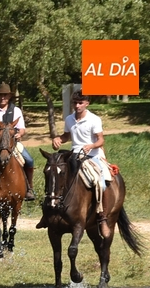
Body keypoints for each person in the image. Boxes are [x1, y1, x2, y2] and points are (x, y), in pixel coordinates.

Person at [51, 89, 112, 237]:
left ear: (87, 103)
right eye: (75, 103)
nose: (77, 106)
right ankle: (49, 213)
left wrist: (91, 146)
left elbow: (100, 139)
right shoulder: (69, 119)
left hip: (92, 156)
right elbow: (67, 136)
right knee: (53, 170)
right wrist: (58, 139)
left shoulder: (94, 119)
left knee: (99, 182)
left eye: (80, 103)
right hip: (74, 154)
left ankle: (102, 217)